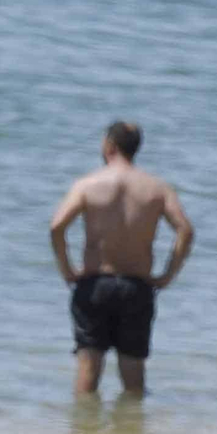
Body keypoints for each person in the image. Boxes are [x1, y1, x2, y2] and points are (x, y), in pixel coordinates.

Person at [48, 121, 196, 396]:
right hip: (136, 287)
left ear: (109, 145)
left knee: (89, 370)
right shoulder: (157, 188)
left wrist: (67, 270)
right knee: (133, 373)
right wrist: (167, 275)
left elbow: (56, 227)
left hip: (94, 285)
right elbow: (185, 230)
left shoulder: (87, 185)